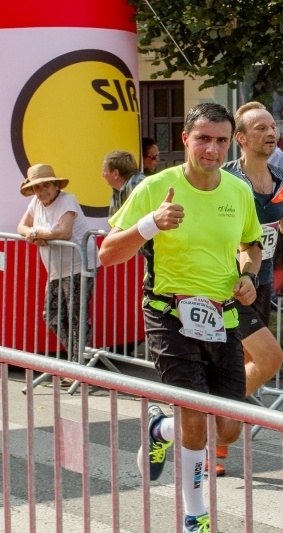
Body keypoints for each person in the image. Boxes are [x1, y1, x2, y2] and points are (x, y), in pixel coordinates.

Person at [98, 103, 263, 533]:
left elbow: (251, 245)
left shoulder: (238, 190)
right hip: (169, 313)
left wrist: (248, 274)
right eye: (203, 138)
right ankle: (196, 515)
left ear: (231, 144)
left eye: (221, 140)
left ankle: (160, 429)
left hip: (222, 317)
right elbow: (107, 254)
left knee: (225, 429)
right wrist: (150, 225)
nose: (212, 149)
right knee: (195, 416)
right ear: (185, 139)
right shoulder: (155, 187)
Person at [218, 101, 283, 471]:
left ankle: (217, 442)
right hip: (228, 286)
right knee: (268, 358)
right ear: (241, 139)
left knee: (243, 364)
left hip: (263, 283)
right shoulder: (226, 180)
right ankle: (205, 410)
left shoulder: (282, 180)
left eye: (273, 125)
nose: (271, 132)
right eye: (260, 127)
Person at [17, 164, 96, 375]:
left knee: (76, 316)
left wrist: (39, 234)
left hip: (79, 265)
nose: (42, 191)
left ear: (55, 185)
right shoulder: (36, 202)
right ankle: (74, 361)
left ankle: (77, 367)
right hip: (56, 269)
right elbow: (21, 227)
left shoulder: (66, 200)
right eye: (37, 188)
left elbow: (65, 232)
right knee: (51, 315)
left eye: (46, 186)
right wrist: (35, 233)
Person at [103, 150, 146, 217]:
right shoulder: (117, 190)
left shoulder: (136, 184)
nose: (103, 174)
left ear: (116, 174)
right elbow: (114, 222)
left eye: (105, 170)